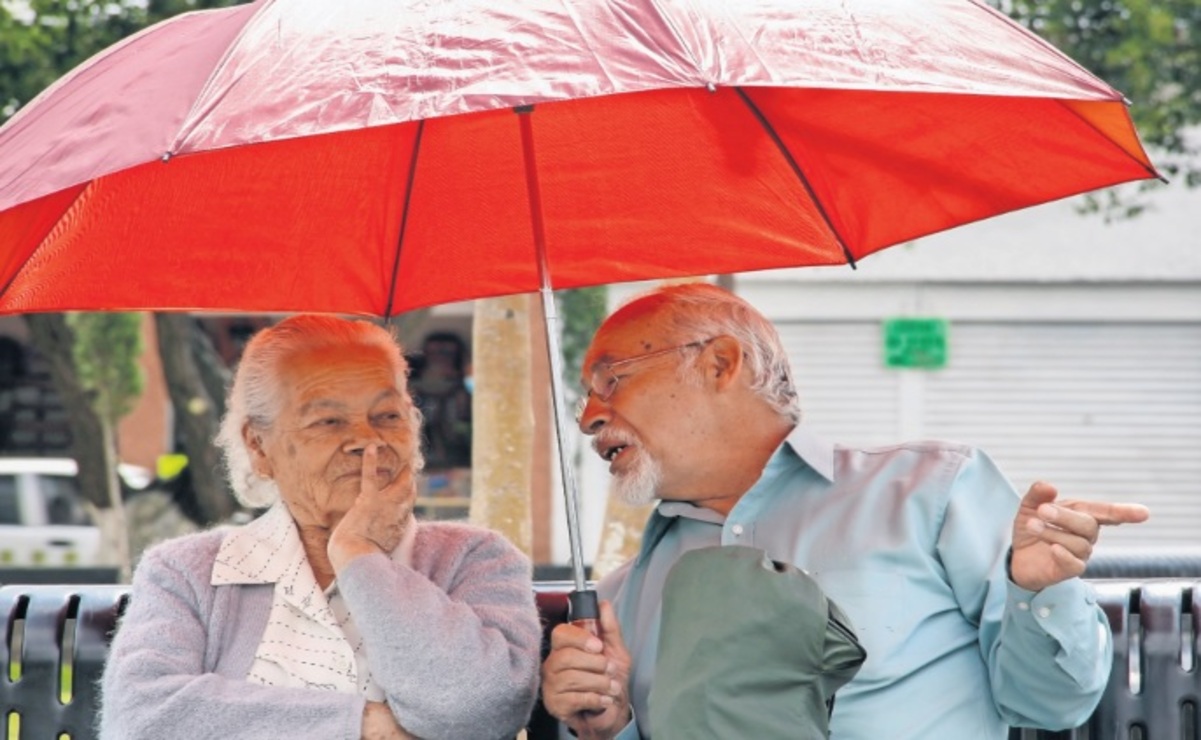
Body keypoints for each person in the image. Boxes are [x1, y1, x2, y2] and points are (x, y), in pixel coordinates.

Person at [540, 283, 1150, 740]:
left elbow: (1053, 704)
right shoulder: (619, 599)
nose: (588, 414)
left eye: (610, 379)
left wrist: (1037, 591)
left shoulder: (925, 492)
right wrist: (607, 725)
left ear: (721, 363)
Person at [100, 315, 542, 740]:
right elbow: (142, 721)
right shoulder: (186, 572)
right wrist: (363, 728)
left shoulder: (474, 558)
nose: (367, 440)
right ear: (258, 445)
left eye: (388, 416)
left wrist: (359, 553)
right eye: (328, 421)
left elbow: (480, 710)